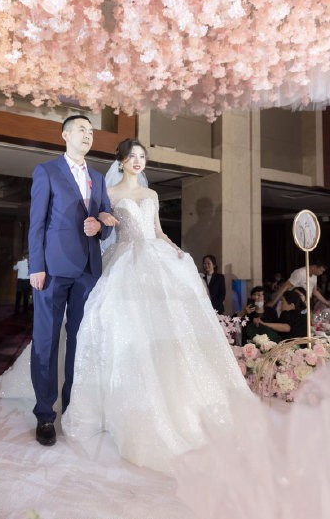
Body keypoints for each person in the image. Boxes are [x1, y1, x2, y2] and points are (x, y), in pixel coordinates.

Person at [61, 138, 250, 473]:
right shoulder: (110, 193)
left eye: (142, 157)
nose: (138, 161)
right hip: (125, 261)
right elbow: (104, 230)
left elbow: (158, 231)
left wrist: (175, 249)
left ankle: (174, 394)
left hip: (155, 258)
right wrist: (102, 220)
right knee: (127, 326)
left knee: (168, 327)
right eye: (132, 156)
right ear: (120, 161)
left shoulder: (151, 194)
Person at [28, 115, 114, 447]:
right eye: (81, 130)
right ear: (65, 135)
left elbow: (105, 215)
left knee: (81, 342)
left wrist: (101, 226)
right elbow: (36, 223)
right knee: (46, 340)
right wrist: (36, 266)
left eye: (91, 131)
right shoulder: (47, 171)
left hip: (87, 271)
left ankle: (72, 407)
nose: (87, 135)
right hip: (51, 270)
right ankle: (44, 415)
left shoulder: (98, 178)